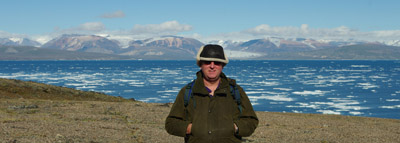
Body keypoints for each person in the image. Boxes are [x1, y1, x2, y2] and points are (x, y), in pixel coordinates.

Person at [165, 44, 258, 143]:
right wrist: (191, 128)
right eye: (207, 62)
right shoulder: (188, 91)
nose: (212, 66)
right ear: (200, 64)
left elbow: (251, 121)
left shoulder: (235, 91)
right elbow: (171, 123)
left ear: (222, 65)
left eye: (217, 62)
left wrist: (234, 128)